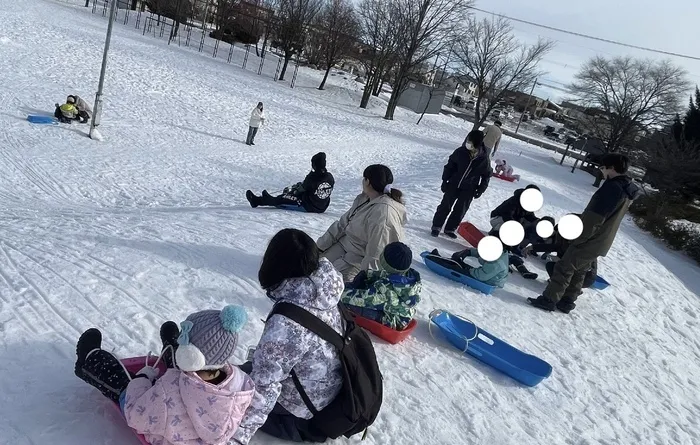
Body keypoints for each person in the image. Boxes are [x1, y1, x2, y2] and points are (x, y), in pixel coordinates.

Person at [74, 305, 255, 445]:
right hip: (203, 421)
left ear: (191, 353)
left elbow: (137, 413)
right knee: (183, 368)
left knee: (125, 387)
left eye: (185, 340)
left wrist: (143, 379)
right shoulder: (240, 383)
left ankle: (90, 360)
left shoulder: (170, 390)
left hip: (166, 431)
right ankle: (172, 348)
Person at [233, 229, 345, 444]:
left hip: (301, 418)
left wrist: (237, 437)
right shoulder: (325, 291)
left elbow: (266, 388)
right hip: (330, 396)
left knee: (227, 388)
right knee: (242, 372)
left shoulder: (287, 322)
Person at [528, 154, 639, 313]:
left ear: (612, 168)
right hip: (602, 239)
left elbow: (595, 218)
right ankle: (567, 301)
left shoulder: (612, 188)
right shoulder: (626, 189)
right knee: (579, 270)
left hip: (590, 237)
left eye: (603, 168)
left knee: (564, 266)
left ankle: (549, 300)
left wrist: (579, 237)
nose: (601, 172)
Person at [317, 164, 407, 281]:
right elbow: (342, 225)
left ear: (368, 181)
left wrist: (364, 279)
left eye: (364, 178)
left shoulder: (383, 214)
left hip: (358, 259)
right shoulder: (364, 199)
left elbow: (376, 252)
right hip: (344, 246)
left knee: (326, 281)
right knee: (313, 268)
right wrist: (319, 247)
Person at [342, 241, 422, 331]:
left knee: (348, 304)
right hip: (396, 311)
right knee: (360, 281)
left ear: (384, 262)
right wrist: (367, 274)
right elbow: (385, 276)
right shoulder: (408, 275)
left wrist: (337, 292)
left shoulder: (387, 290)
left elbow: (359, 299)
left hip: (392, 321)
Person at [431, 130, 491, 238]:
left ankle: (450, 228)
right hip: (454, 184)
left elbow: (486, 175)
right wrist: (445, 180)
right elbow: (450, 165)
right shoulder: (460, 151)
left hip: (469, 188)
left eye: (470, 141)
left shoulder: (483, 158)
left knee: (460, 209)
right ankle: (436, 226)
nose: (467, 142)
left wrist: (481, 189)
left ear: (476, 143)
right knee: (445, 206)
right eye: (468, 140)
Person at [246, 152, 335, 213]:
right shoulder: (330, 177)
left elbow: (300, 189)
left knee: (284, 198)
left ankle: (257, 201)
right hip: (322, 206)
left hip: (308, 205)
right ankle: (262, 199)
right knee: (289, 197)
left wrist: (293, 191)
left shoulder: (312, 177)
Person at [521, 219, 598, 288]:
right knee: (551, 266)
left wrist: (562, 260)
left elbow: (579, 262)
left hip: (584, 276)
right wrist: (532, 247)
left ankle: (567, 287)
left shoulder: (579, 243)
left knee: (555, 266)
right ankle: (564, 285)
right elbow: (553, 247)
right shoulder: (567, 240)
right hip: (580, 274)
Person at [429, 247, 509, 287]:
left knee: (456, 269)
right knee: (459, 264)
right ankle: (439, 258)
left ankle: (434, 259)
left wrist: (469, 270)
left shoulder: (497, 262)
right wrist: (469, 252)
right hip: (486, 275)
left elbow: (481, 276)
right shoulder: (501, 252)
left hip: (487, 281)